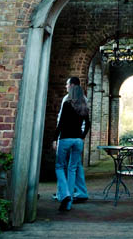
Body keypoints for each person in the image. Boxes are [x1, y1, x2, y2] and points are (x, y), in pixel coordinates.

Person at [53, 82, 90, 211]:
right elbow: (88, 124)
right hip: (78, 141)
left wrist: (54, 139)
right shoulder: (83, 106)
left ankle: (65, 194)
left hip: (65, 139)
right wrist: (82, 136)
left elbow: (61, 122)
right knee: (72, 169)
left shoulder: (67, 104)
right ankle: (69, 201)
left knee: (59, 167)